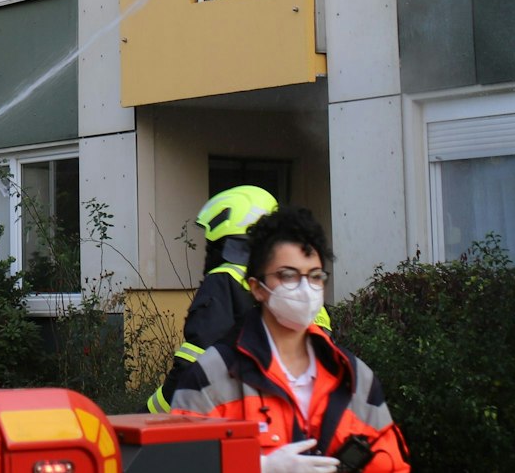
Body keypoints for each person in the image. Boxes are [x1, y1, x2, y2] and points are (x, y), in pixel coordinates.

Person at [168, 208, 409, 473]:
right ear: (257, 288)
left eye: (315, 276)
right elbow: (180, 463)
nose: (305, 289)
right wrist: (259, 467)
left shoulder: (355, 378)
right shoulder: (212, 376)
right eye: (288, 275)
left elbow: (392, 464)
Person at [148, 186, 333, 413]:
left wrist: (150, 414)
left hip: (240, 418)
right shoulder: (303, 291)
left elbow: (195, 362)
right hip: (303, 413)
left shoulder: (225, 279)